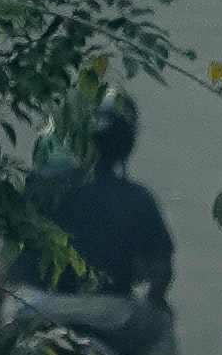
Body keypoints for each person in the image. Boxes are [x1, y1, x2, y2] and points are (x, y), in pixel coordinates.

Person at [36, 92, 175, 307]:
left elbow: (5, 258)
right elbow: (161, 270)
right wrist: (155, 301)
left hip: (46, 308)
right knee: (160, 329)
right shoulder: (140, 200)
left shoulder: (44, 188)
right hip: (111, 312)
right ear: (128, 142)